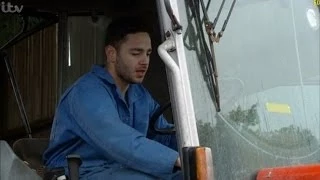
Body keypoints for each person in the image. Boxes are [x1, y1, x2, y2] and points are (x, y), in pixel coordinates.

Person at [42, 16, 182, 180]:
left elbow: (164, 136)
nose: (145, 62)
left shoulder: (140, 95)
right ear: (111, 54)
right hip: (80, 171)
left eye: (148, 54)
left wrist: (195, 150)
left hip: (119, 169)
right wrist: (175, 159)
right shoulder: (87, 93)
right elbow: (118, 141)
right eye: (136, 53)